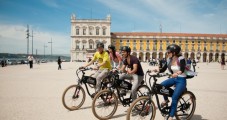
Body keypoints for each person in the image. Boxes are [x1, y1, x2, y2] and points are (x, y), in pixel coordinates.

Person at [153, 44, 186, 120]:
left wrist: (177, 73)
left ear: (174, 52)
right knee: (161, 86)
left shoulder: (181, 58)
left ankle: (171, 116)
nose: (167, 53)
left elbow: (182, 69)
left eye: (169, 52)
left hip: (181, 79)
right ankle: (166, 100)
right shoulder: (169, 59)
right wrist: (156, 70)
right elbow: (163, 69)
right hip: (174, 78)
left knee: (174, 97)